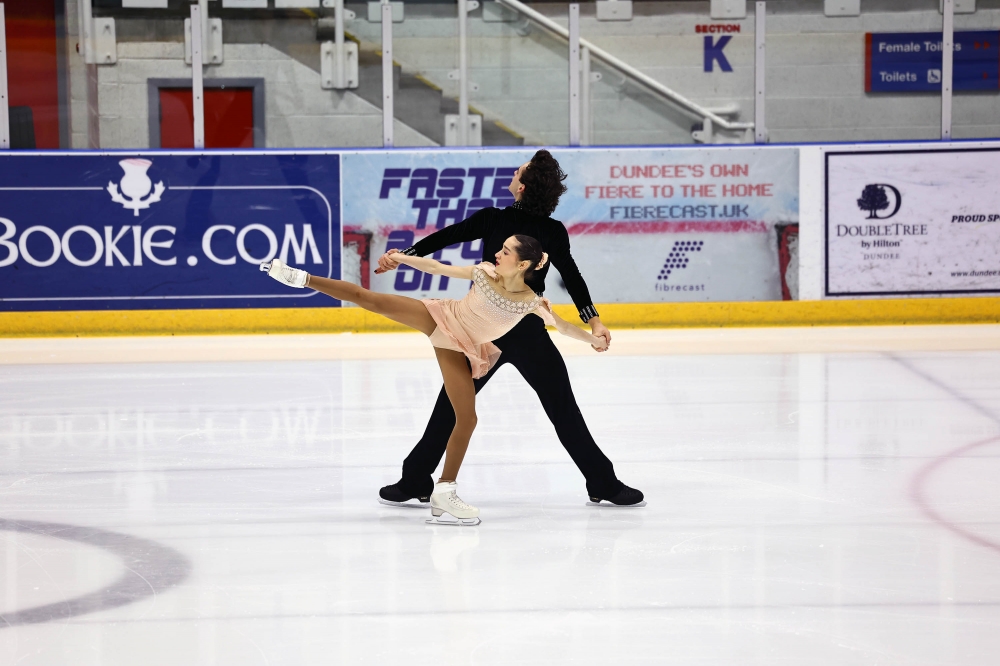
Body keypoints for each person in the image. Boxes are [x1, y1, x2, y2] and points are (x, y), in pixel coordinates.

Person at [261, 234, 607, 525]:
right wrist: (404, 258)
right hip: (441, 317)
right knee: (369, 299)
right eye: (499, 248)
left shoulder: (530, 302)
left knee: (467, 419)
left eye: (505, 251)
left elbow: (561, 326)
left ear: (522, 265)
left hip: (461, 347)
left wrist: (592, 337)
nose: (497, 254)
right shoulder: (484, 272)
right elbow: (438, 267)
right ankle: (300, 278)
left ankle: (444, 491)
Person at [375, 150, 645, 509]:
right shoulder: (551, 230)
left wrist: (401, 254)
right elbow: (572, 277)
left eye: (519, 171)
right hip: (522, 329)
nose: (514, 172)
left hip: (485, 328)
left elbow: (445, 238)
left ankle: (415, 479)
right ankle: (602, 483)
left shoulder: (494, 219)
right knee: (562, 409)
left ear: (522, 186)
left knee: (453, 407)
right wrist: (592, 319)